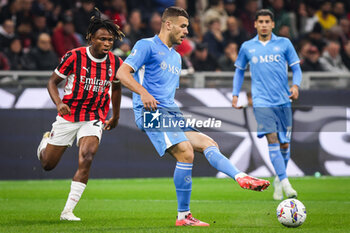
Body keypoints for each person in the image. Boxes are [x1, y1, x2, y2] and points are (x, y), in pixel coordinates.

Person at [117, 6, 270, 227]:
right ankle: (183, 216)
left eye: (187, 26)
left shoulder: (176, 58)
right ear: (168, 24)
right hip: (151, 112)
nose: (187, 31)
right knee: (186, 152)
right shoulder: (146, 46)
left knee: (208, 143)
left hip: (171, 113)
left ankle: (240, 177)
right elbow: (122, 73)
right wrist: (143, 93)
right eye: (183, 26)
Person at [36, 13, 124, 221]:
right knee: (48, 164)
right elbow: (51, 82)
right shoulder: (74, 56)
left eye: (110, 40)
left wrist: (116, 116)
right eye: (102, 39)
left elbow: (117, 89)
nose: (107, 43)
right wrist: (59, 103)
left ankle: (67, 211)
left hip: (94, 116)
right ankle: (45, 142)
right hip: (69, 116)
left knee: (87, 156)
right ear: (91, 38)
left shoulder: (115, 62)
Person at [232, 9, 302, 201]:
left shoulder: (284, 43)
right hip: (261, 101)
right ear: (255, 24)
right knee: (272, 140)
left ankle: (280, 180)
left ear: (272, 24)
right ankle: (286, 182)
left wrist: (295, 86)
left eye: (267, 21)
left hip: (283, 100)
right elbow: (239, 71)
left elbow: (296, 68)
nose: (263, 24)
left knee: (285, 144)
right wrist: (236, 94)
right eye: (260, 21)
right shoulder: (247, 47)